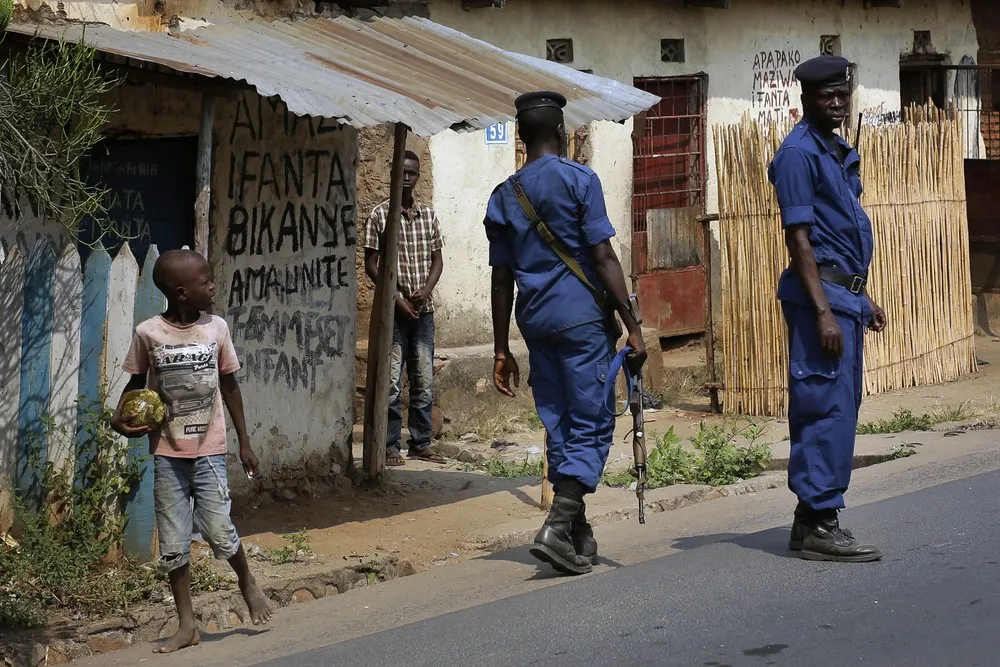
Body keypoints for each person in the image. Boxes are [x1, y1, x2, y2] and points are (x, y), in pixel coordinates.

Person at [485, 91, 647, 576]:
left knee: (559, 423)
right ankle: (556, 526)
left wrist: (500, 349)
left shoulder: (502, 196)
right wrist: (633, 327)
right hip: (581, 322)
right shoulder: (580, 179)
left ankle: (578, 533)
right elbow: (603, 257)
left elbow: (500, 279)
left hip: (534, 323)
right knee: (592, 421)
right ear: (562, 132)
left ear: (520, 136)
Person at [110, 249, 271, 653]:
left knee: (218, 528)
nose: (213, 286)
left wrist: (245, 443)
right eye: (206, 281)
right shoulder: (149, 333)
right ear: (182, 292)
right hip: (168, 452)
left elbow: (230, 386)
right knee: (173, 540)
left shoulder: (216, 328)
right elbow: (135, 385)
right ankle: (187, 625)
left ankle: (246, 581)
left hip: (210, 450)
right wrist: (118, 419)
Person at [768, 55, 888, 563]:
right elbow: (799, 240)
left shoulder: (832, 149)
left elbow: (837, 237)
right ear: (806, 99)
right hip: (821, 303)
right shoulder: (798, 154)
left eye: (842, 94)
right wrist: (822, 313)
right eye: (826, 95)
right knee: (825, 408)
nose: (837, 103)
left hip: (842, 298)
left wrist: (861, 298)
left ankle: (805, 521)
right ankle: (822, 522)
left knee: (839, 406)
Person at [364, 150, 446, 467]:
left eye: (412, 173)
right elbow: (371, 264)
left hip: (424, 312)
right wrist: (395, 298)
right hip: (393, 313)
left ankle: (421, 443)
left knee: (423, 379)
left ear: (418, 176)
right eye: (402, 172)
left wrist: (425, 291)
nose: (407, 178)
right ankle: (388, 445)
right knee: (392, 382)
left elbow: (437, 261)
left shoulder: (429, 216)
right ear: (393, 176)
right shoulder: (380, 216)